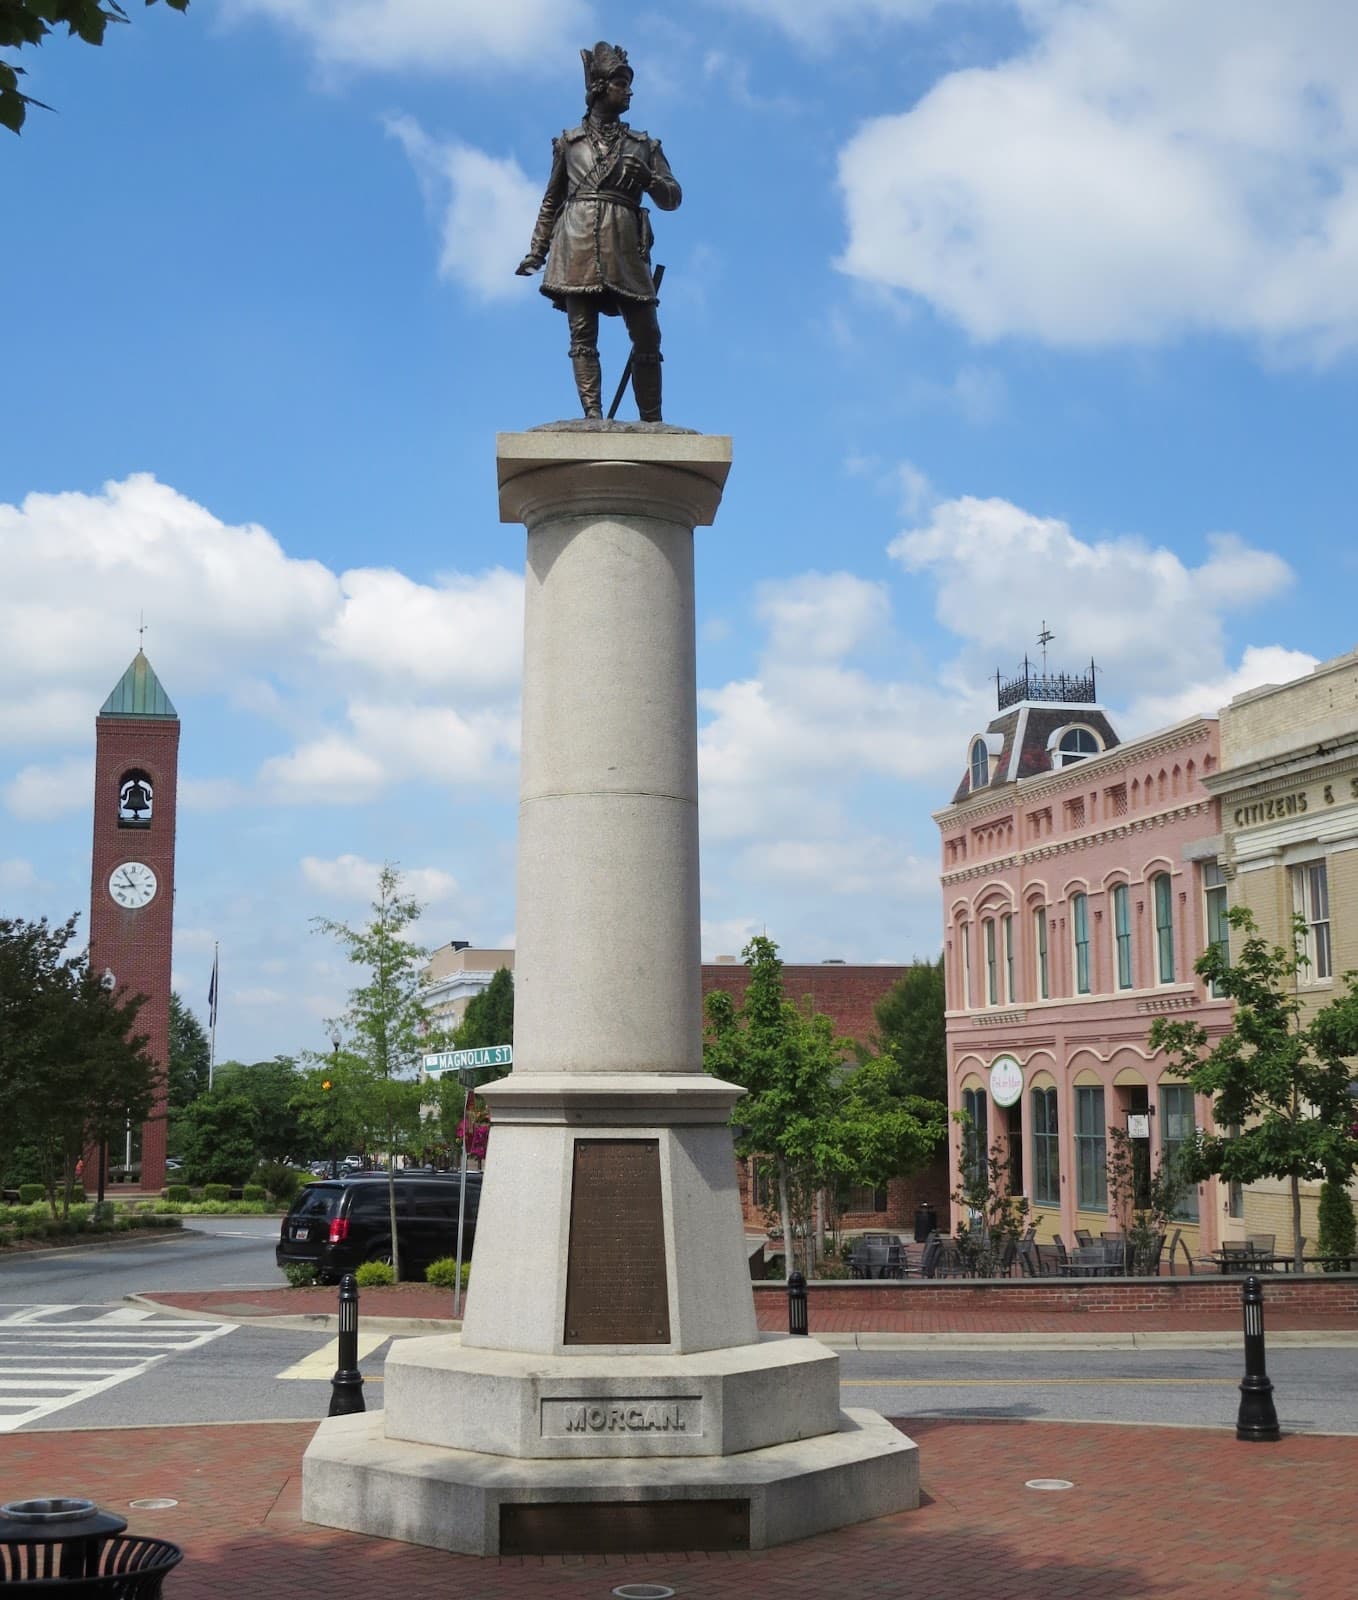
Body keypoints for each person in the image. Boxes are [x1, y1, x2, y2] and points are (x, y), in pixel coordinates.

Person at [516, 41, 681, 422]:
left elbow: (673, 197)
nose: (629, 92)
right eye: (621, 83)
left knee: (648, 335)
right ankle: (593, 416)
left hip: (626, 244)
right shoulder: (568, 144)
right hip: (576, 240)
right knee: (581, 336)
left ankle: (652, 421)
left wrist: (652, 180)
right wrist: (537, 251)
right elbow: (551, 200)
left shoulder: (645, 146)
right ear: (599, 88)